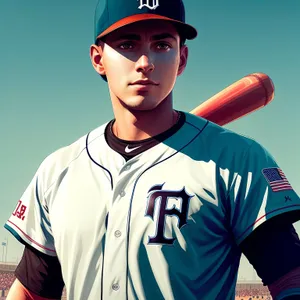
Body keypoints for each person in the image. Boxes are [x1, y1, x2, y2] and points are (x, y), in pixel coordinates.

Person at [4, 0, 300, 299]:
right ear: (98, 59)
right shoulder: (60, 169)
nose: (146, 62)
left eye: (161, 45)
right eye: (128, 44)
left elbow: (292, 280)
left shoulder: (236, 160)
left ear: (181, 59)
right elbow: (30, 293)